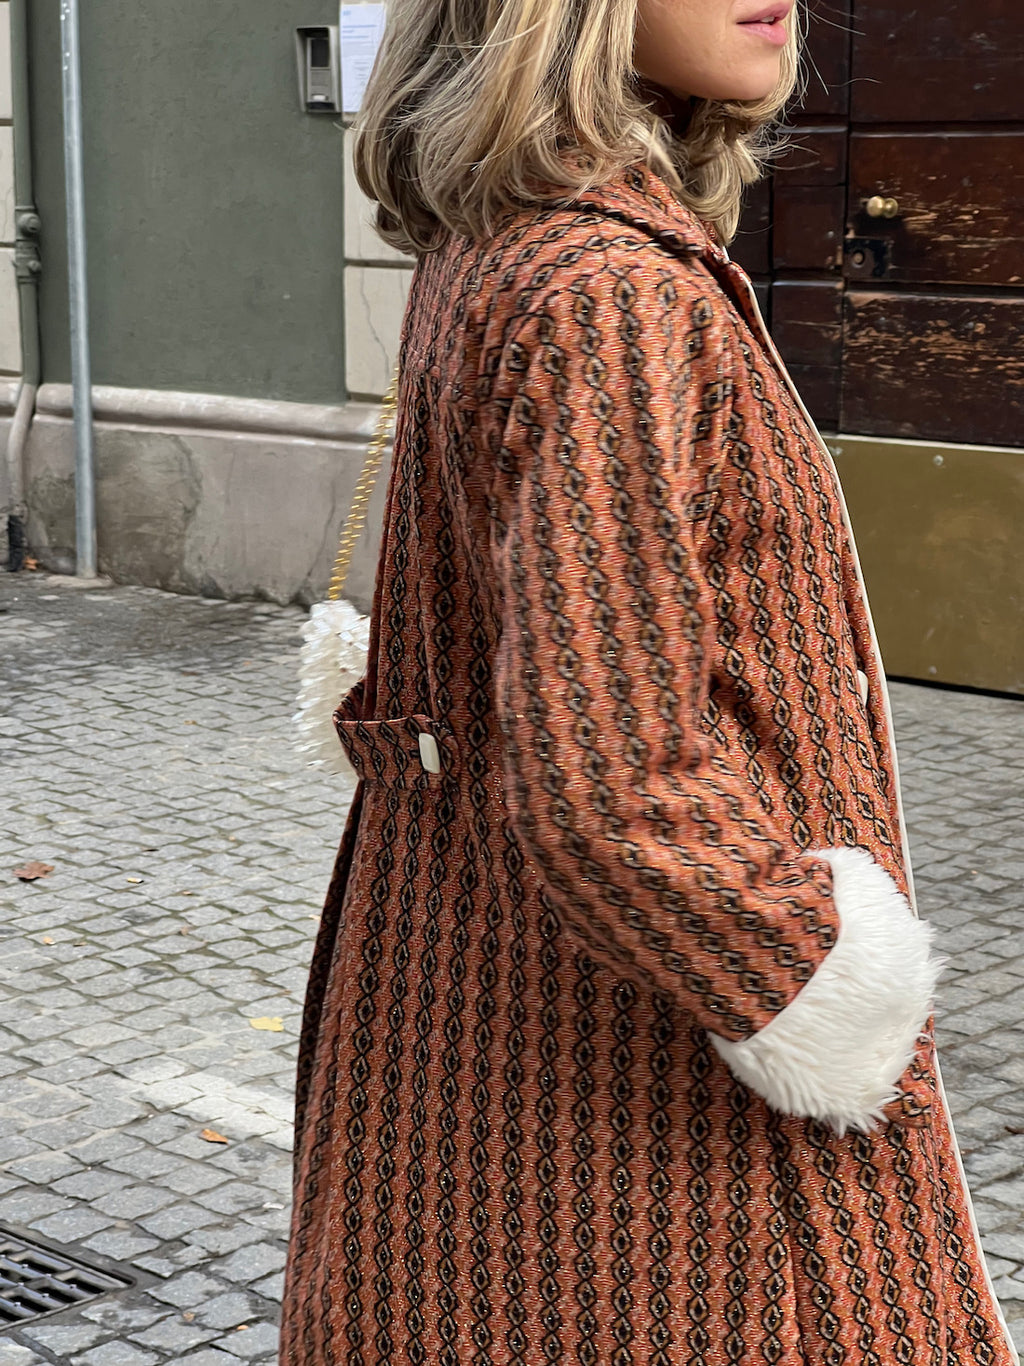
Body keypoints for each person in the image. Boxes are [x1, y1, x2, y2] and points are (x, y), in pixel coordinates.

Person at [282, 2, 1018, 1363]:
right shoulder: (610, 289)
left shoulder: (503, 239)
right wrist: (819, 975)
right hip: (659, 1121)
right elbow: (611, 783)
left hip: (472, 1035)